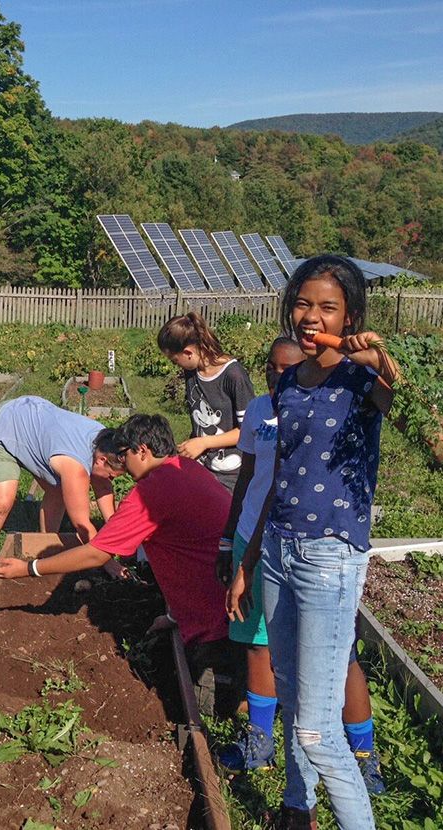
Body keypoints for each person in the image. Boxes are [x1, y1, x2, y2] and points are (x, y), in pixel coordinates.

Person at [227, 255, 399, 830]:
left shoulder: (364, 380)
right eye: (303, 303)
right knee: (293, 696)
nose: (311, 317)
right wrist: (248, 560)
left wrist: (374, 356)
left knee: (318, 730)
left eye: (327, 307)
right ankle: (297, 811)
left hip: (329, 557)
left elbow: (403, 392)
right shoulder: (289, 382)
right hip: (277, 550)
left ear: (349, 315)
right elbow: (279, 476)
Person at [217, 337, 385, 796]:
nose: (276, 375)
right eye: (270, 367)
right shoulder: (258, 410)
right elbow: (247, 477)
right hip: (257, 536)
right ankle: (261, 741)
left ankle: (364, 754)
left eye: (285, 367)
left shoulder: (332, 399)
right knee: (257, 643)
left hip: (316, 543)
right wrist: (230, 539)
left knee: (341, 655)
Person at [0, 413, 243, 716]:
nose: (121, 464)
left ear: (142, 451)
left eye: (124, 455)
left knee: (211, 706)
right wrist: (173, 616)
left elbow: (96, 552)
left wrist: (29, 568)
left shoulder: (153, 491)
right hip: (236, 596)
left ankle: (248, 702)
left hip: (217, 620)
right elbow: (192, 548)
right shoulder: (186, 468)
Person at [0, 395, 126, 573]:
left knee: (60, 490)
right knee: (1, 504)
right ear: (101, 460)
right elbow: (81, 524)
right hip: (1, 427)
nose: (110, 481)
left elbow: (102, 487)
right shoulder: (75, 468)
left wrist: (119, 535)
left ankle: (45, 546)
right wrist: (108, 562)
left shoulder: (105, 441)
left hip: (29, 418)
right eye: (111, 476)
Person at [157, 312, 255, 492]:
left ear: (188, 353)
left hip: (230, 475)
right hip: (202, 466)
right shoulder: (192, 372)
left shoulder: (234, 376)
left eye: (175, 361)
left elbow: (248, 431)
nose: (176, 365)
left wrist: (203, 443)